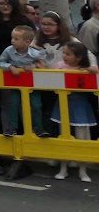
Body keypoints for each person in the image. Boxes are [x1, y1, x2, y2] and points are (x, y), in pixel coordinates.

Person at [51, 41, 95, 181]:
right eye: (63, 53)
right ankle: (63, 168)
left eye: (68, 54)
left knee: (82, 138)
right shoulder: (59, 67)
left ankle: (83, 170)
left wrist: (92, 70)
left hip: (80, 106)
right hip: (63, 105)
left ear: (79, 57)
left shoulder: (85, 69)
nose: (64, 56)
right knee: (64, 136)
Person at [0, 25, 45, 137]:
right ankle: (12, 128)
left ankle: (38, 128)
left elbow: (43, 65)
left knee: (36, 105)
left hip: (33, 85)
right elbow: (0, 62)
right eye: (12, 38)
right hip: (16, 84)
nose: (12, 41)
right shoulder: (9, 51)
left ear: (27, 42)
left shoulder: (35, 54)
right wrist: (10, 67)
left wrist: (34, 66)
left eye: (16, 39)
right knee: (13, 104)